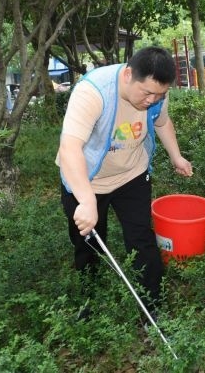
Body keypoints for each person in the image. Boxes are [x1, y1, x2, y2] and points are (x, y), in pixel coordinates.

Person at [56, 46, 193, 317]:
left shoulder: (157, 95)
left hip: (131, 175)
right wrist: (86, 200)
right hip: (87, 180)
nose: (152, 100)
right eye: (147, 93)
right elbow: (69, 148)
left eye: (159, 95)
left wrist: (176, 156)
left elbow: (162, 123)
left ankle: (153, 309)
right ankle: (90, 303)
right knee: (88, 243)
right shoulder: (93, 92)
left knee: (141, 239)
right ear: (129, 75)